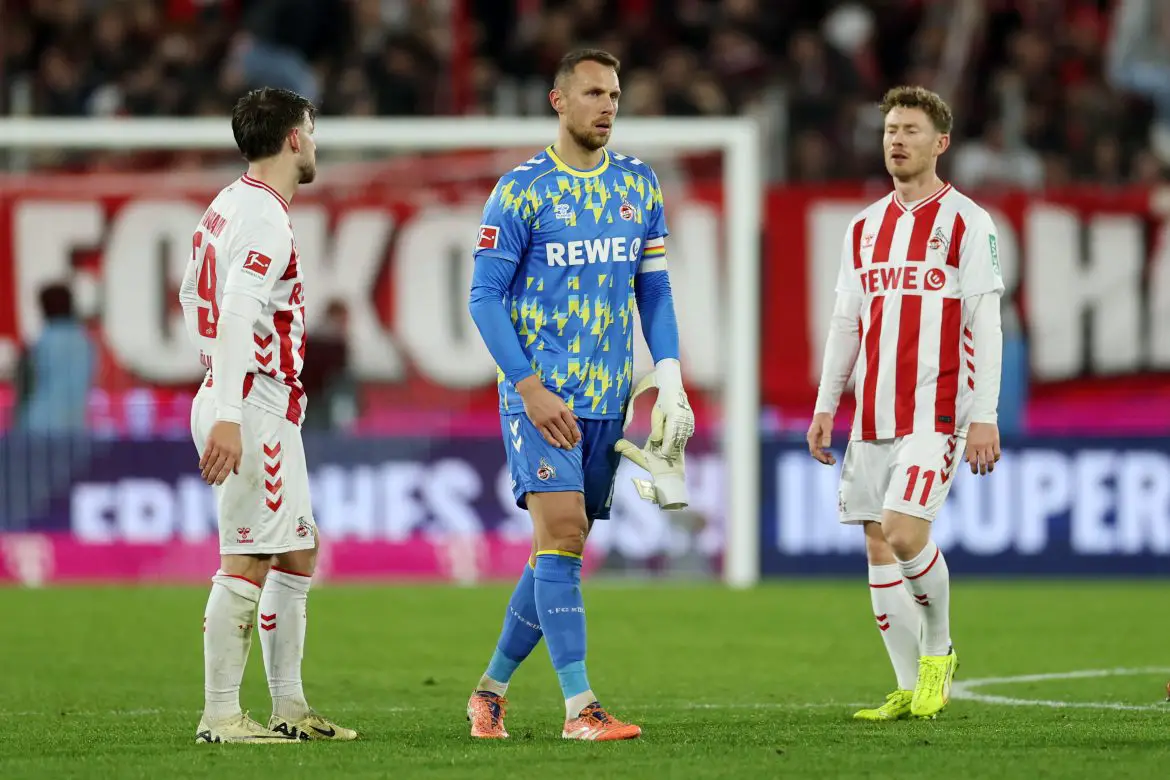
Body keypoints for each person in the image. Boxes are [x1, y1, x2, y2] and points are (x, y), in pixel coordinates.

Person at [465, 48, 694, 741]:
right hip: (543, 401)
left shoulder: (638, 185)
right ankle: (579, 708)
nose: (607, 106)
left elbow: (651, 289)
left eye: (616, 95)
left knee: (554, 555)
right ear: (558, 101)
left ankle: (489, 691)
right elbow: (484, 297)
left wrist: (672, 375)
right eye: (593, 93)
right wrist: (529, 388)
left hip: (608, 403)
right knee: (562, 535)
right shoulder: (522, 190)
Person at [806, 85, 1005, 721]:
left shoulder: (968, 222)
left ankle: (939, 651)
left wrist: (986, 416)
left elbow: (987, 323)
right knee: (875, 543)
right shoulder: (863, 228)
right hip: (873, 412)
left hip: (938, 411)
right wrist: (824, 405)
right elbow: (846, 321)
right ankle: (904, 684)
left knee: (903, 531)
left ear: (940, 142)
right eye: (891, 128)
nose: (897, 139)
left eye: (911, 130)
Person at [178, 86, 357, 744]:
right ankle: (221, 715)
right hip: (250, 402)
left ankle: (289, 706)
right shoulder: (262, 217)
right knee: (248, 558)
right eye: (311, 130)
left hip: (257, 400)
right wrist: (229, 410)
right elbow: (234, 312)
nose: (314, 142)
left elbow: (190, 291)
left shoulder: (228, 204)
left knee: (299, 549)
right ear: (293, 139)